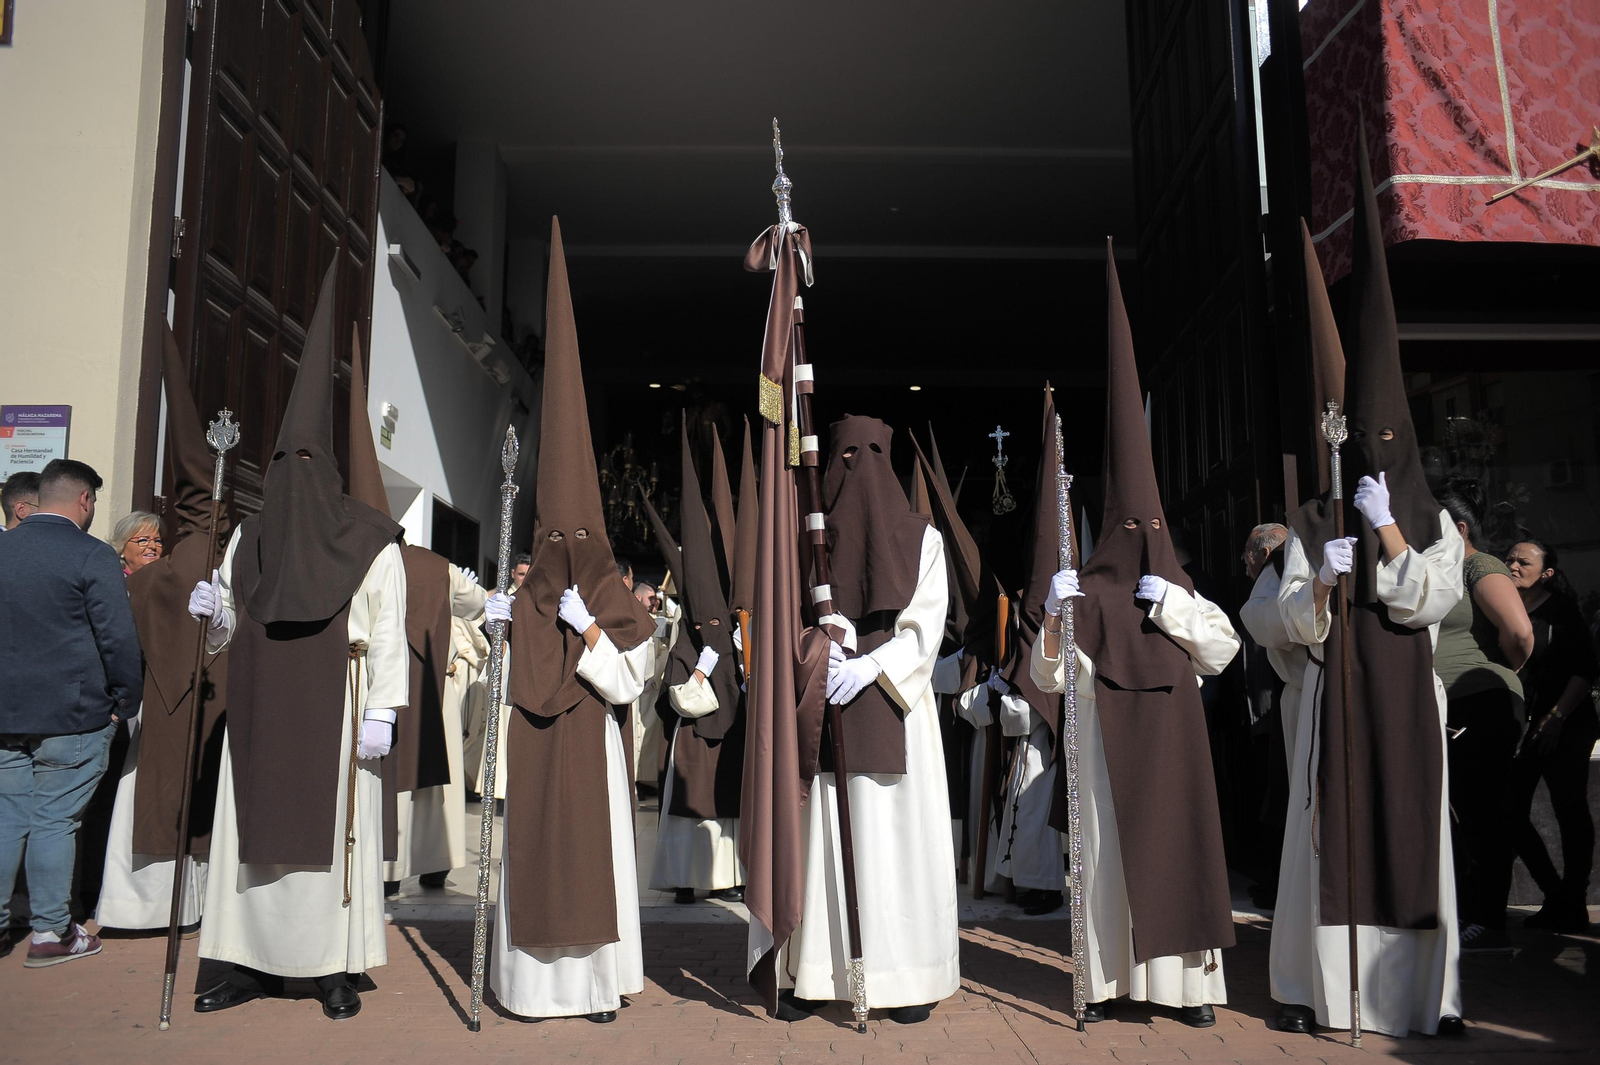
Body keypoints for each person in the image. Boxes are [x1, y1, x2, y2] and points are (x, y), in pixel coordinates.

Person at [1272, 136, 1466, 1038]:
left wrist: (1387, 529)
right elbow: (1285, 622)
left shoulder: (1434, 518)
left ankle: (1431, 995)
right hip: (1335, 703)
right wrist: (1319, 589)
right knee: (1334, 842)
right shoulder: (1315, 517)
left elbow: (1432, 597)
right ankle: (1329, 988)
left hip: (1407, 704)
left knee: (1415, 840)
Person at [185, 263, 406, 1021]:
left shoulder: (371, 540)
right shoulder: (249, 532)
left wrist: (384, 710)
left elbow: (387, 632)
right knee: (251, 840)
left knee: (325, 846)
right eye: (281, 462)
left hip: (337, 711)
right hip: (258, 709)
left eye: (303, 461)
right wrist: (213, 608)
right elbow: (229, 629)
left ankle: (330, 967)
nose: (291, 474)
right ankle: (247, 960)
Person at [1031, 248, 1239, 1028]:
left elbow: (1223, 651)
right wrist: (1056, 613)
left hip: (1175, 755)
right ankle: (1114, 983)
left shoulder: (1176, 591)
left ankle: (1185, 991)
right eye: (1129, 530)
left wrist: (1173, 607)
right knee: (1112, 868)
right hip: (1106, 760)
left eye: (1150, 529)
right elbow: (1053, 679)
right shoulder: (1085, 597)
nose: (1140, 539)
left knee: (1179, 857)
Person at [483, 218, 656, 1024]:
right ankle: (525, 985)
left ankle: (594, 986)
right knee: (537, 860)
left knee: (595, 861)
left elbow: (630, 679)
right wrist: (500, 623)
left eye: (577, 540)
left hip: (593, 750)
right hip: (536, 750)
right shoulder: (525, 597)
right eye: (555, 540)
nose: (565, 551)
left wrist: (589, 628)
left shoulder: (611, 597)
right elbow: (498, 687)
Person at [778, 414, 959, 1026]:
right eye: (846, 457)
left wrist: (872, 665)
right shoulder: (807, 543)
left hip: (897, 711)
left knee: (896, 848)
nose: (860, 471)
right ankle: (819, 974)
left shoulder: (924, 540)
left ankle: (905, 978)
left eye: (872, 456)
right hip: (824, 716)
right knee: (826, 841)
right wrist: (819, 644)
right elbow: (780, 628)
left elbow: (926, 627)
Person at [342, 331, 488, 896]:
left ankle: (382, 869)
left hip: (372, 680)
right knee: (433, 784)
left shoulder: (352, 564)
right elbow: (474, 604)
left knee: (389, 777)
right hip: (431, 682)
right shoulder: (434, 564)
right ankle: (432, 863)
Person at [96, 327, 231, 934]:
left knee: (180, 803)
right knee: (146, 801)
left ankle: (178, 904)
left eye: (158, 538)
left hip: (189, 704)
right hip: (153, 704)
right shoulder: (154, 575)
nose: (153, 547)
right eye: (142, 542)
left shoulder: (185, 567)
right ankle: (137, 908)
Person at [0, 458, 142, 966]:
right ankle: (51, 932)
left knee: (7, 816)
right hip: (74, 711)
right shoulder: (90, 554)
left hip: (7, 712)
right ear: (84, 500)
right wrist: (126, 699)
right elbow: (118, 637)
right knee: (54, 820)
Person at [642, 424, 745, 905]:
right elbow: (677, 699)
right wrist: (703, 669)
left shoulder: (740, 632)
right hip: (694, 741)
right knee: (691, 806)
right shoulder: (689, 634)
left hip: (735, 741)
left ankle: (733, 875)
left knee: (731, 804)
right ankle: (686, 878)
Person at [1433, 480, 1532, 953]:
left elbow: (1519, 632)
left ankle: (1490, 922)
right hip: (1450, 705)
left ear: (1459, 528)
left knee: (1479, 812)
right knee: (1460, 813)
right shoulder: (1436, 571)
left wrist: (1495, 675)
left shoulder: (1479, 564)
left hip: (1480, 702)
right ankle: (1471, 911)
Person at [988, 388, 1070, 915]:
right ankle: (1024, 878)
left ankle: (1045, 884)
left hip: (1053, 727)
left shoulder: (1052, 610)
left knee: (1040, 800)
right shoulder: (1022, 614)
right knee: (1025, 797)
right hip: (1030, 731)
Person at [1504, 538, 1597, 932]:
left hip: (1566, 722)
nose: (1513, 566)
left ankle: (1573, 900)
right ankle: (1556, 895)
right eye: (1509, 559)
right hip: (1524, 727)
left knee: (1569, 808)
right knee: (1509, 812)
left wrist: (1557, 716)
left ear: (1546, 573)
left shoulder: (1562, 613)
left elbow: (1585, 668)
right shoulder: (1501, 608)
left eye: (1523, 562)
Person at [111, 511, 163, 576]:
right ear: (122, 549)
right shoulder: (114, 582)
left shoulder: (167, 583)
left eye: (157, 541)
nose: (153, 546)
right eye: (143, 540)